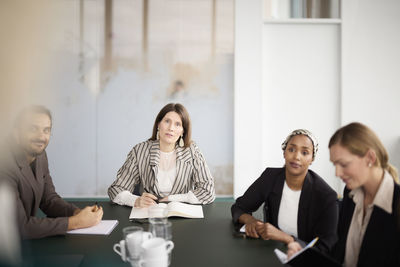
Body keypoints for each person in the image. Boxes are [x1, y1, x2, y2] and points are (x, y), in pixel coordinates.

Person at [287, 122, 400, 266]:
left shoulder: (395, 204)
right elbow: (339, 255)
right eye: (335, 165)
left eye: (344, 164)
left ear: (370, 158)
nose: (337, 173)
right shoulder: (351, 194)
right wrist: (305, 256)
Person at [0, 105, 103, 239]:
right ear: (16, 132)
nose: (41, 137)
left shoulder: (40, 155)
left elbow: (49, 199)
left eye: (46, 130)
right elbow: (19, 227)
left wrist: (77, 213)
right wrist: (76, 222)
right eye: (33, 129)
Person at [231, 129, 338, 253]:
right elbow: (239, 207)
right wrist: (252, 222)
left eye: (304, 152)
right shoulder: (270, 177)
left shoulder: (326, 195)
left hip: (306, 260)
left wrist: (285, 238)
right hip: (271, 253)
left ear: (312, 158)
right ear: (284, 153)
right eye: (291, 149)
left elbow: (326, 248)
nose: (296, 157)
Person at [108, 103, 215, 207]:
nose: (171, 128)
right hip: (149, 215)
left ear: (183, 131)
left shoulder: (192, 151)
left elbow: (208, 191)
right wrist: (136, 200)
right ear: (159, 124)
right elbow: (116, 189)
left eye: (177, 124)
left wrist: (172, 199)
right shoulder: (139, 151)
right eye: (167, 121)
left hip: (181, 215)